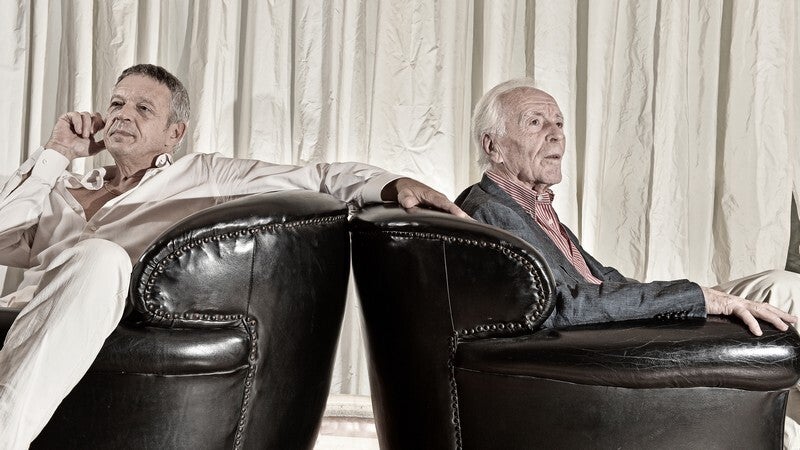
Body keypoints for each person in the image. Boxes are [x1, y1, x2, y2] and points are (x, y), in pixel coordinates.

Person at [0, 64, 465, 448]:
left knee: (101, 257)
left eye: (143, 109)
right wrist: (56, 153)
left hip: (111, 307)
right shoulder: (67, 186)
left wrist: (391, 184)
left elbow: (317, 178)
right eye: (117, 104)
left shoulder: (204, 175)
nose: (123, 115)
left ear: (174, 134)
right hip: (26, 313)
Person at [456, 77, 799, 335]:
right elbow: (560, 307)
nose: (556, 133)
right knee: (784, 294)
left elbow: (604, 281)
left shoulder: (535, 207)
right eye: (535, 122)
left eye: (558, 123)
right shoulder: (490, 213)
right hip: (607, 341)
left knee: (777, 285)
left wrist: (692, 296)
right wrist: (692, 298)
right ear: (493, 146)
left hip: (625, 319)